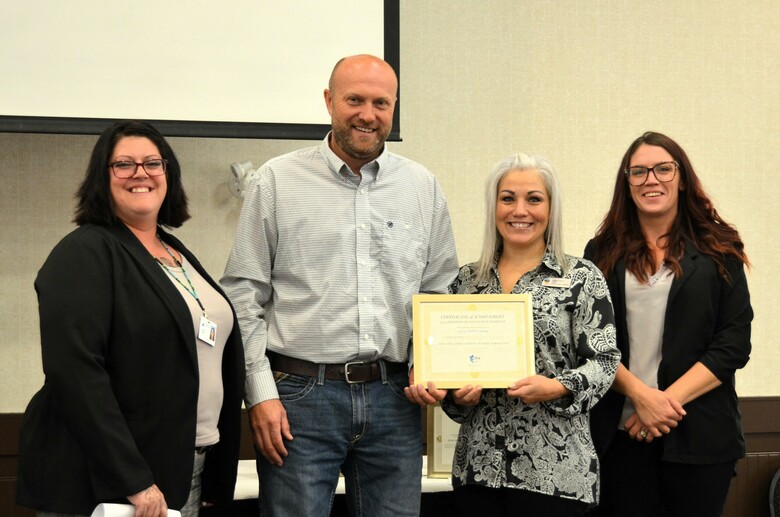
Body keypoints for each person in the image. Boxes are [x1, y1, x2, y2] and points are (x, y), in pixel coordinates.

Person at [220, 54, 459, 516]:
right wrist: (260, 392)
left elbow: (438, 289)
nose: (368, 114)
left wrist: (429, 365)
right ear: (329, 101)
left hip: (395, 399)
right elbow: (244, 294)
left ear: (393, 109)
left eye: (381, 103)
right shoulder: (276, 181)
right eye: (354, 99)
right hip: (299, 399)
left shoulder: (421, 187)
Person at [16, 120, 245, 517]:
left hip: (186, 467)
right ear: (102, 179)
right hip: (116, 481)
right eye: (124, 164)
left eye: (153, 163)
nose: (141, 173)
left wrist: (214, 474)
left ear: (168, 175)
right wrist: (133, 480)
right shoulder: (85, 252)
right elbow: (76, 373)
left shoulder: (173, 250)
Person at [435, 153, 620, 516]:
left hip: (556, 471)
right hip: (479, 470)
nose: (520, 210)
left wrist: (557, 387)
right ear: (494, 207)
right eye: (508, 198)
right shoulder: (465, 283)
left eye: (534, 199)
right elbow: (449, 372)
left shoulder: (581, 277)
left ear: (551, 209)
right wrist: (458, 395)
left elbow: (606, 360)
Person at [584, 131, 752, 517]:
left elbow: (733, 343)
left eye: (663, 168)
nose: (651, 180)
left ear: (681, 177)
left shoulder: (719, 248)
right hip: (619, 435)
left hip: (701, 436)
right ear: (627, 183)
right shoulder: (601, 252)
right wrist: (641, 400)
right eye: (639, 172)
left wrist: (662, 404)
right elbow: (590, 340)